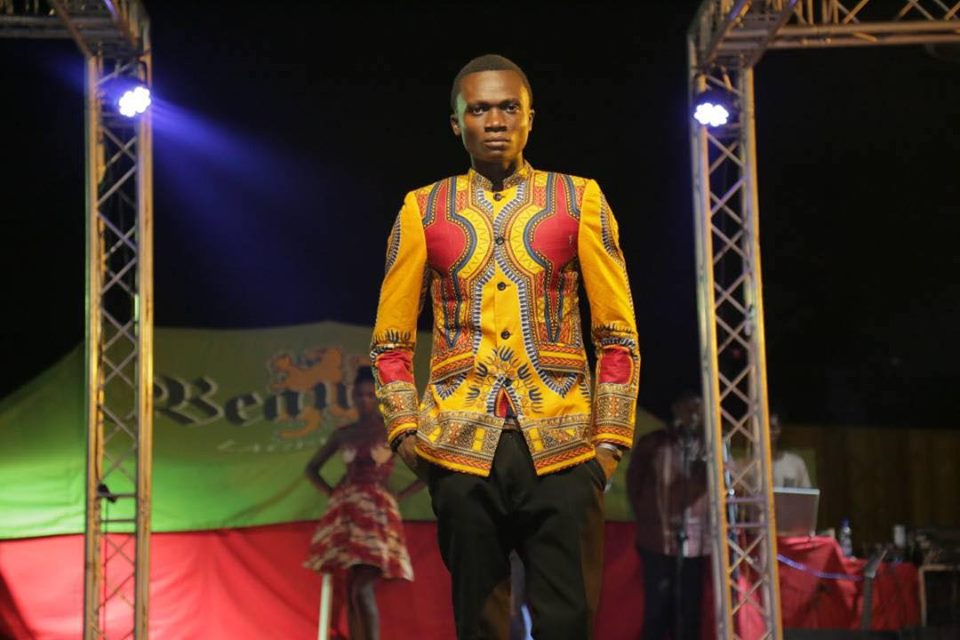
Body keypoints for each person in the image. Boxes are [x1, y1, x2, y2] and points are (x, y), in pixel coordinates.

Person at [369, 53, 640, 639]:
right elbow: (390, 341)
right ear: (456, 122)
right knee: (479, 625)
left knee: (569, 623)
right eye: (479, 109)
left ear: (530, 119)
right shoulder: (423, 208)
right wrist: (406, 436)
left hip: (566, 449)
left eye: (509, 107)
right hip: (459, 452)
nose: (495, 121)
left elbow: (617, 334)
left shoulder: (579, 198)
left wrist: (609, 446)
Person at [303, 366, 422, 640]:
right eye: (359, 394)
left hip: (378, 514)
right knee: (352, 587)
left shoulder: (391, 431)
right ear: (353, 397)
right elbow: (312, 469)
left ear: (378, 397)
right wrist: (335, 494)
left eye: (370, 394)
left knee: (362, 587)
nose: (364, 400)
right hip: (348, 514)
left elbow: (426, 470)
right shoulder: (344, 433)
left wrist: (398, 496)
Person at [626, 392, 709, 640]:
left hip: (696, 544)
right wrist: (648, 519)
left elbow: (730, 483)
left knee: (689, 612)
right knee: (657, 610)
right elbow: (634, 484)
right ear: (675, 410)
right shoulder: (654, 443)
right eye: (688, 409)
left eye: (698, 410)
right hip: (656, 540)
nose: (693, 415)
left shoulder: (710, 446)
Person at [770, 413, 812, 488]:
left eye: (773, 428)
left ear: (779, 429)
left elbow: (807, 493)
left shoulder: (796, 463)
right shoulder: (751, 465)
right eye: (764, 428)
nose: (769, 432)